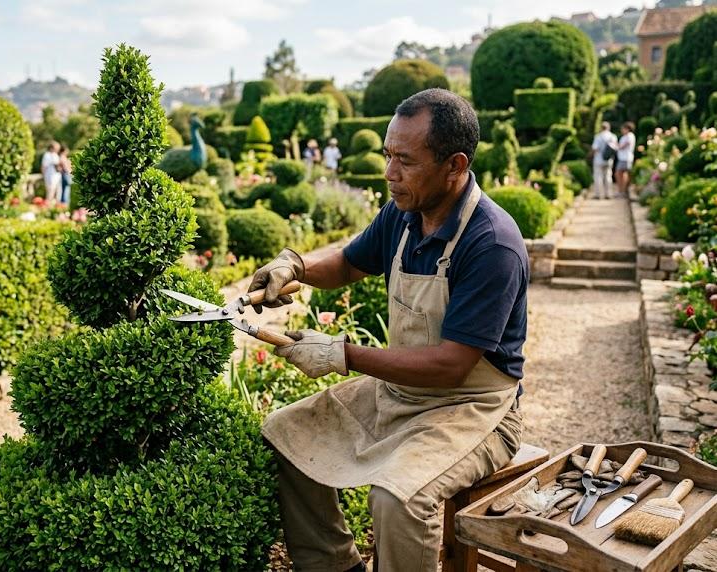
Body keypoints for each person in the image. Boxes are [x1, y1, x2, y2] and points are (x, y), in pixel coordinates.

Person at [250, 88, 527, 572]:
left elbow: (450, 367)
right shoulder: (403, 215)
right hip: (400, 394)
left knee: (399, 499)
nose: (389, 172)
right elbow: (348, 263)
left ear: (455, 166)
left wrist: (341, 354)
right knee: (287, 435)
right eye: (387, 155)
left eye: (406, 160)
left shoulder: (492, 245)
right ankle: (338, 567)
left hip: (474, 409)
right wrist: (295, 266)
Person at [590, 122, 617, 200]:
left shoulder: (598, 136)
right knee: (608, 176)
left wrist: (591, 155)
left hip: (598, 159)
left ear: (601, 128)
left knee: (598, 177)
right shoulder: (613, 136)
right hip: (609, 160)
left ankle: (598, 194)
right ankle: (608, 194)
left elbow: (595, 148)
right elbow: (615, 148)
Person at [615, 122, 636, 198]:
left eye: (623, 129)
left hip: (626, 158)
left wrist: (616, 146)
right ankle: (621, 191)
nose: (622, 130)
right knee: (620, 174)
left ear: (627, 129)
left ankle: (622, 191)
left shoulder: (630, 136)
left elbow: (623, 146)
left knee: (620, 174)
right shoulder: (625, 136)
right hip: (622, 158)